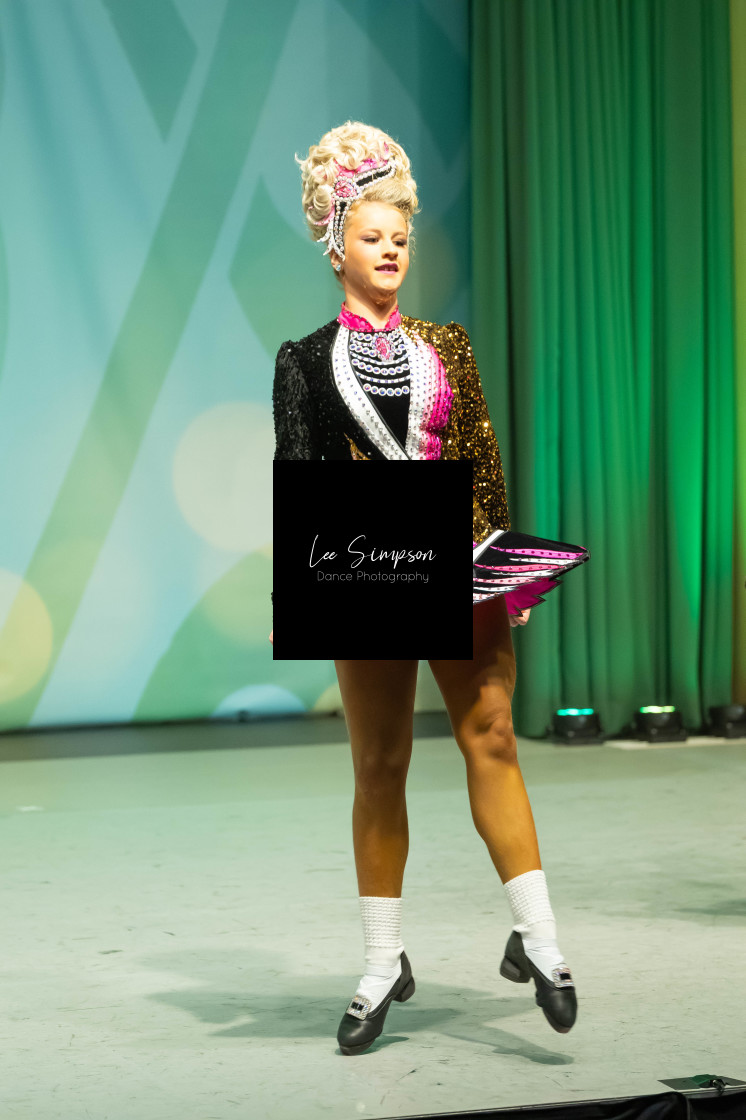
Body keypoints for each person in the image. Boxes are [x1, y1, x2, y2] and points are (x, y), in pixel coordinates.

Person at [270, 122, 577, 1056]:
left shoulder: (451, 345)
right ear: (337, 247)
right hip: (365, 573)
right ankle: (382, 962)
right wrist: (314, 586)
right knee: (380, 765)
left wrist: (499, 567)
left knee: (494, 734)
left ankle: (542, 940)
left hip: (460, 565)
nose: (391, 248)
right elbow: (303, 484)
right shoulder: (302, 361)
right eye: (372, 235)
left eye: (401, 235)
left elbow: (482, 466)